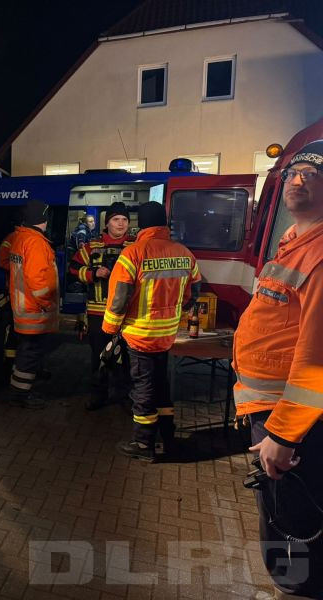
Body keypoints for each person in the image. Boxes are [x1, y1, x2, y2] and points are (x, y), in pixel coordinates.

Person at [232, 141, 323, 599]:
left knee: (292, 516)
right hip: (271, 407)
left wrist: (284, 435)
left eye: (313, 175)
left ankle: (301, 587)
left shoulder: (320, 253)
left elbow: (317, 358)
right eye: (293, 172)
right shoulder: (293, 241)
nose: (298, 180)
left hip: (291, 418)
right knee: (278, 509)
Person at [102, 201, 201, 461]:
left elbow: (119, 299)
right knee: (161, 384)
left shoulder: (133, 253)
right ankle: (167, 434)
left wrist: (110, 329)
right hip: (167, 335)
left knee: (143, 388)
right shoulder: (184, 253)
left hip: (140, 335)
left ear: (141, 224)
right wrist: (176, 313)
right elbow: (193, 292)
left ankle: (143, 443)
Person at [69, 202, 136, 410]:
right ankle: (98, 395)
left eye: (124, 220)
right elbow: (73, 268)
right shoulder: (92, 246)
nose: (121, 224)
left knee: (126, 357)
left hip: (127, 313)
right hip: (98, 313)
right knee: (99, 355)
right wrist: (93, 273)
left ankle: (125, 396)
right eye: (116, 219)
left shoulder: (135, 247)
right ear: (107, 223)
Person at [7, 199, 59, 409]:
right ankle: (21, 394)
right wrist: (47, 303)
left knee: (25, 352)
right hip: (34, 309)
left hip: (23, 307)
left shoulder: (21, 238)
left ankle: (18, 386)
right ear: (42, 218)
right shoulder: (35, 242)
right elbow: (37, 279)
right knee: (29, 353)